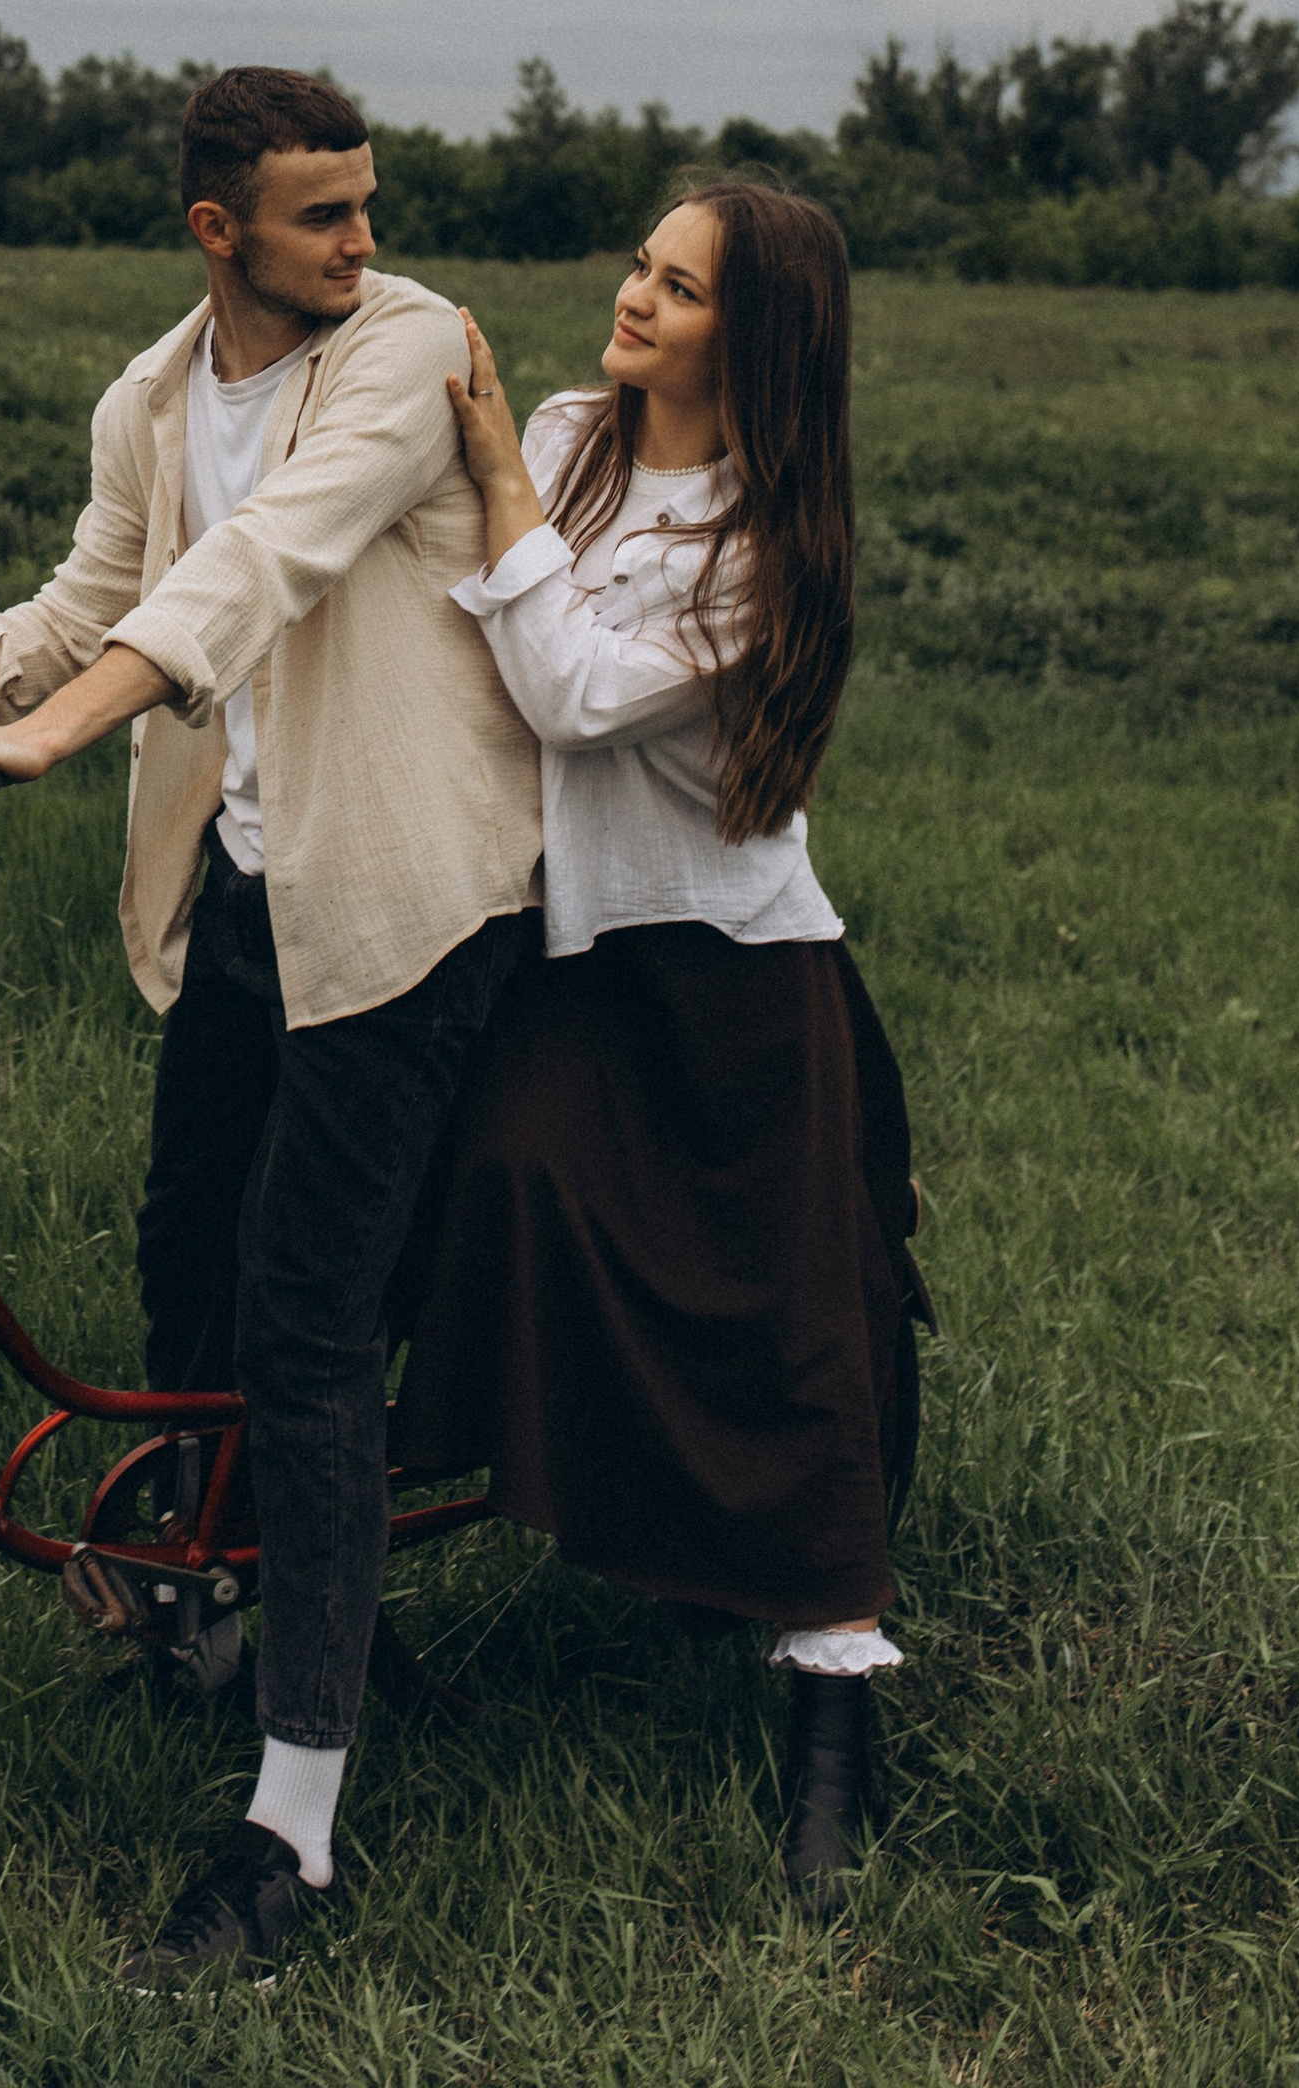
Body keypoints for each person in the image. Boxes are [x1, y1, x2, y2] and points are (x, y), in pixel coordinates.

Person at [0, 66, 541, 1983]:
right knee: (184, 1263)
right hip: (245, 893)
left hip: (403, 899)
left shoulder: (404, 353)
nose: (363, 240)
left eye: (367, 203)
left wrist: (46, 739)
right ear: (219, 231)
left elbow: (258, 569)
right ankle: (237, 1598)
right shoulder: (153, 393)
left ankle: (292, 1826)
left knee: (303, 1319)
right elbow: (92, 593)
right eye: (325, 216)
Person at [393, 176, 929, 1914]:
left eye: (676, 285)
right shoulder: (570, 436)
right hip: (565, 956)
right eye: (638, 262)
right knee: (513, 1191)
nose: (630, 298)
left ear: (749, 334)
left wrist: (497, 491)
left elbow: (571, 694)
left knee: (796, 1338)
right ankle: (615, 1549)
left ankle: (832, 1737)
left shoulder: (766, 543)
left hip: (736, 981)